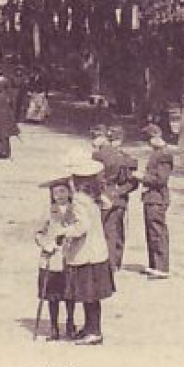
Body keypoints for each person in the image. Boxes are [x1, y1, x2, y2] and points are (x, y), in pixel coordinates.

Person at [53, 153, 115, 346]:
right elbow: (108, 204)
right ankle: (90, 328)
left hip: (86, 253)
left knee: (89, 294)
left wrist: (64, 232)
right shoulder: (95, 196)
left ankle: (94, 332)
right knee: (93, 296)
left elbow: (82, 226)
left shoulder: (79, 199)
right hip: (98, 251)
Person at [93, 125, 138, 273]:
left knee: (103, 230)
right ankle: (115, 263)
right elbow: (133, 182)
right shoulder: (126, 158)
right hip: (119, 198)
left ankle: (104, 264)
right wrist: (119, 192)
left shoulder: (98, 155)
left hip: (101, 195)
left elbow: (93, 178)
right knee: (117, 231)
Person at [34, 178, 75, 339]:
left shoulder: (75, 210)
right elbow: (39, 233)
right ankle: (53, 327)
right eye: (56, 192)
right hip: (51, 259)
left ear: (69, 192)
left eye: (63, 191)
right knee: (52, 296)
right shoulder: (48, 211)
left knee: (70, 294)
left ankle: (70, 324)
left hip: (69, 257)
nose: (60, 195)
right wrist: (46, 244)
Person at [140, 127, 174, 279]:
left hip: (157, 198)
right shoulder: (159, 153)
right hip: (152, 197)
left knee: (157, 232)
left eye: (149, 140)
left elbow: (161, 180)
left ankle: (161, 267)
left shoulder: (164, 155)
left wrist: (142, 177)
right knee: (151, 231)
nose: (149, 144)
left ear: (155, 137)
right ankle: (155, 264)